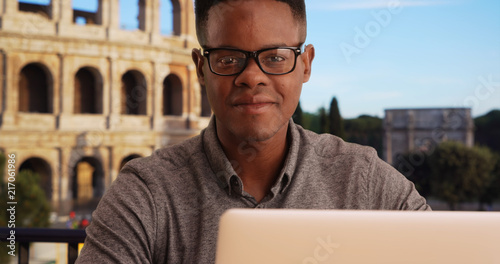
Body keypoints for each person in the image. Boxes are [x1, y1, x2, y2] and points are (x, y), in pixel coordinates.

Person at [76, 0, 430, 263]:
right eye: (229, 58)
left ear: (305, 64)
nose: (252, 76)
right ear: (201, 68)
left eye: (275, 57)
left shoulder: (362, 178)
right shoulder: (145, 193)